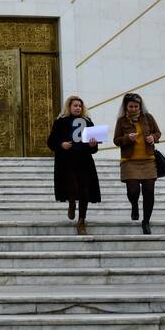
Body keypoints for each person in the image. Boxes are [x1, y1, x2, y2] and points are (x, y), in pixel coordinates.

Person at [47, 95, 101, 235]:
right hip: (66, 162)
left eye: (79, 106)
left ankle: (81, 220)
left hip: (84, 161)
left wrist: (92, 145)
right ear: (69, 107)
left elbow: (94, 149)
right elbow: (51, 142)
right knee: (72, 187)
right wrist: (61, 144)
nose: (78, 108)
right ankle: (72, 202)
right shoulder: (60, 122)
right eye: (75, 105)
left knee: (84, 190)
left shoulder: (88, 122)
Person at [113, 92, 161, 235]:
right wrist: (127, 138)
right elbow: (116, 140)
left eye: (136, 106)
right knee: (133, 191)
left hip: (148, 160)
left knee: (149, 192)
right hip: (129, 161)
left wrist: (153, 137)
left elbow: (158, 133)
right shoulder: (121, 121)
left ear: (140, 106)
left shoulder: (148, 118)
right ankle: (134, 205)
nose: (133, 109)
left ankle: (146, 221)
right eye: (131, 106)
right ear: (126, 107)